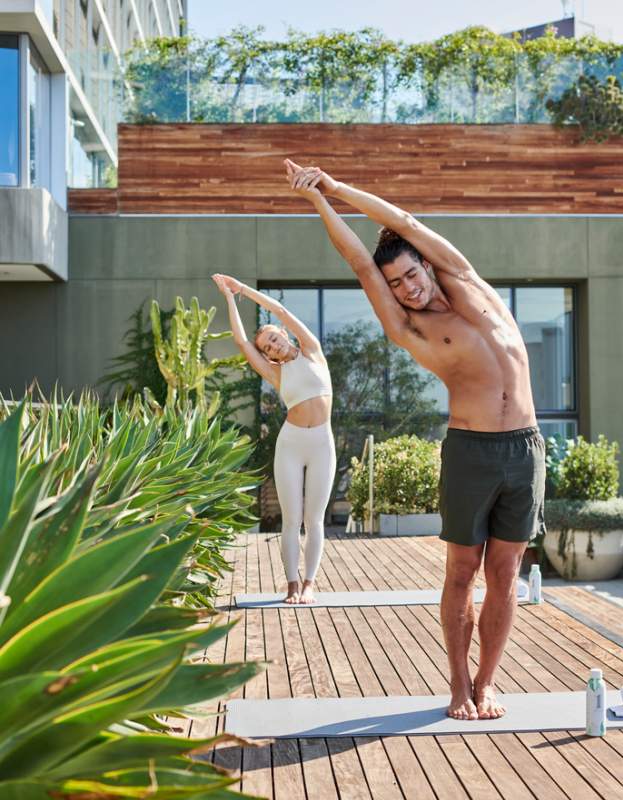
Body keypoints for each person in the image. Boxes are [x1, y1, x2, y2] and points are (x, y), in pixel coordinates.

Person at [284, 159, 546, 720]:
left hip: (525, 449)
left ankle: (487, 683)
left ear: (426, 264)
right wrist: (319, 201)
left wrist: (337, 183)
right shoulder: (410, 327)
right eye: (397, 284)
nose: (407, 288)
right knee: (462, 572)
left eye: (411, 275)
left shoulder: (465, 279)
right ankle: (456, 686)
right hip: (472, 450)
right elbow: (360, 261)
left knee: (506, 574)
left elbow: (401, 218)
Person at [212, 273, 336, 605]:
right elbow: (240, 341)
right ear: (269, 355)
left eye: (273, 338)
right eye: (267, 347)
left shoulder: (312, 352)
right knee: (292, 518)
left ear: (283, 335)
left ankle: (310, 583)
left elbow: (278, 310)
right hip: (291, 445)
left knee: (314, 519)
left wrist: (241, 290)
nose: (273, 345)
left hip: (322, 443)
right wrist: (227, 298)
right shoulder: (276, 373)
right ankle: (292, 584)